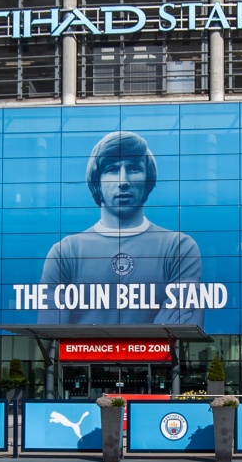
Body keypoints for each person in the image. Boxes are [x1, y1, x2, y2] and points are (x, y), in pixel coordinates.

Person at [38, 131, 203, 325]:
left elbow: (189, 327)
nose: (123, 181)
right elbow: (49, 332)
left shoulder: (179, 247)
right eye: (112, 169)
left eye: (133, 169)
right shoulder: (64, 252)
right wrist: (155, 332)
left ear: (148, 180)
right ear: (97, 181)